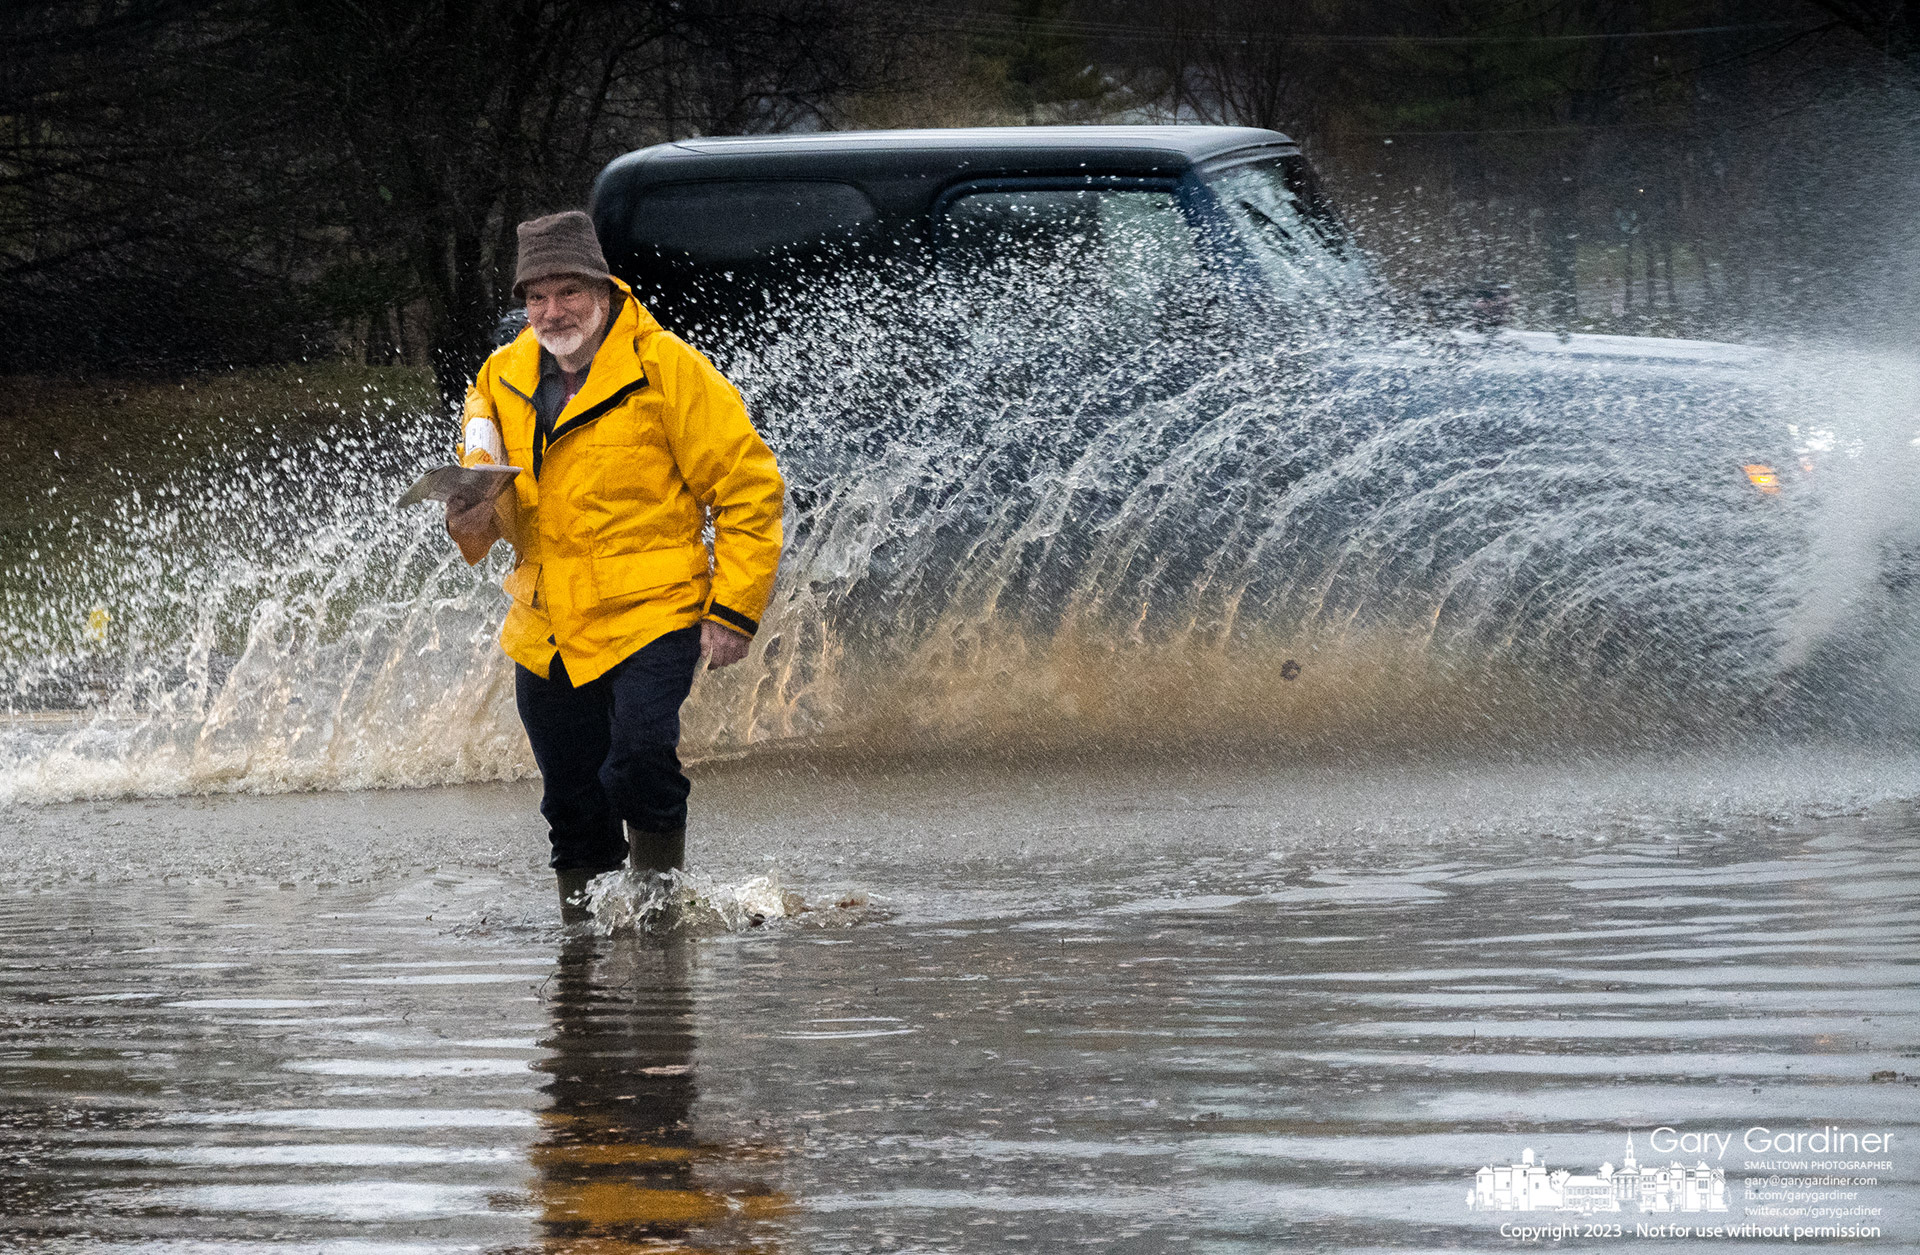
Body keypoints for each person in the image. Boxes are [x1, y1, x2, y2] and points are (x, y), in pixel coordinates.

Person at [445, 210, 784, 924]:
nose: (551, 311)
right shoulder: (498, 378)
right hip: (546, 621)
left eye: (567, 291)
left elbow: (749, 484)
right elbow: (484, 491)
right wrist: (469, 519)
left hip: (652, 610)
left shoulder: (666, 367)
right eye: (535, 296)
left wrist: (734, 610)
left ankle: (658, 916)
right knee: (569, 797)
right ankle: (588, 942)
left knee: (636, 759)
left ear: (601, 288)